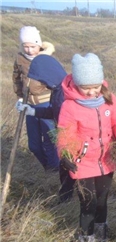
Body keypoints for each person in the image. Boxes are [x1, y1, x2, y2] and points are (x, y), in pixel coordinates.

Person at [56, 53, 116, 242]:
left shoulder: (109, 99)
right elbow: (65, 134)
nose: (91, 92)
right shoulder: (70, 106)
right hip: (83, 163)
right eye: (86, 88)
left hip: (107, 160)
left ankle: (101, 233)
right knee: (87, 204)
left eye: (95, 87)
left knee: (102, 201)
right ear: (77, 84)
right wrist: (65, 154)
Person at [17, 54, 76, 203]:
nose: (42, 83)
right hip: (65, 139)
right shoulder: (57, 89)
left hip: (72, 140)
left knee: (71, 172)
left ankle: (68, 202)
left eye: (42, 79)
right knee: (66, 171)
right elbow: (53, 112)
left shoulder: (64, 93)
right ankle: (66, 200)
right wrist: (31, 111)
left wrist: (69, 143)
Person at [13, 26, 59, 171]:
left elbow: (57, 83)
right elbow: (16, 79)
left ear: (38, 45)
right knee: (34, 145)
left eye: (32, 46)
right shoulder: (20, 59)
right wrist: (20, 97)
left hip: (46, 105)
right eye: (25, 46)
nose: (29, 50)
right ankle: (47, 167)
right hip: (29, 106)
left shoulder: (46, 59)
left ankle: (53, 171)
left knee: (51, 141)